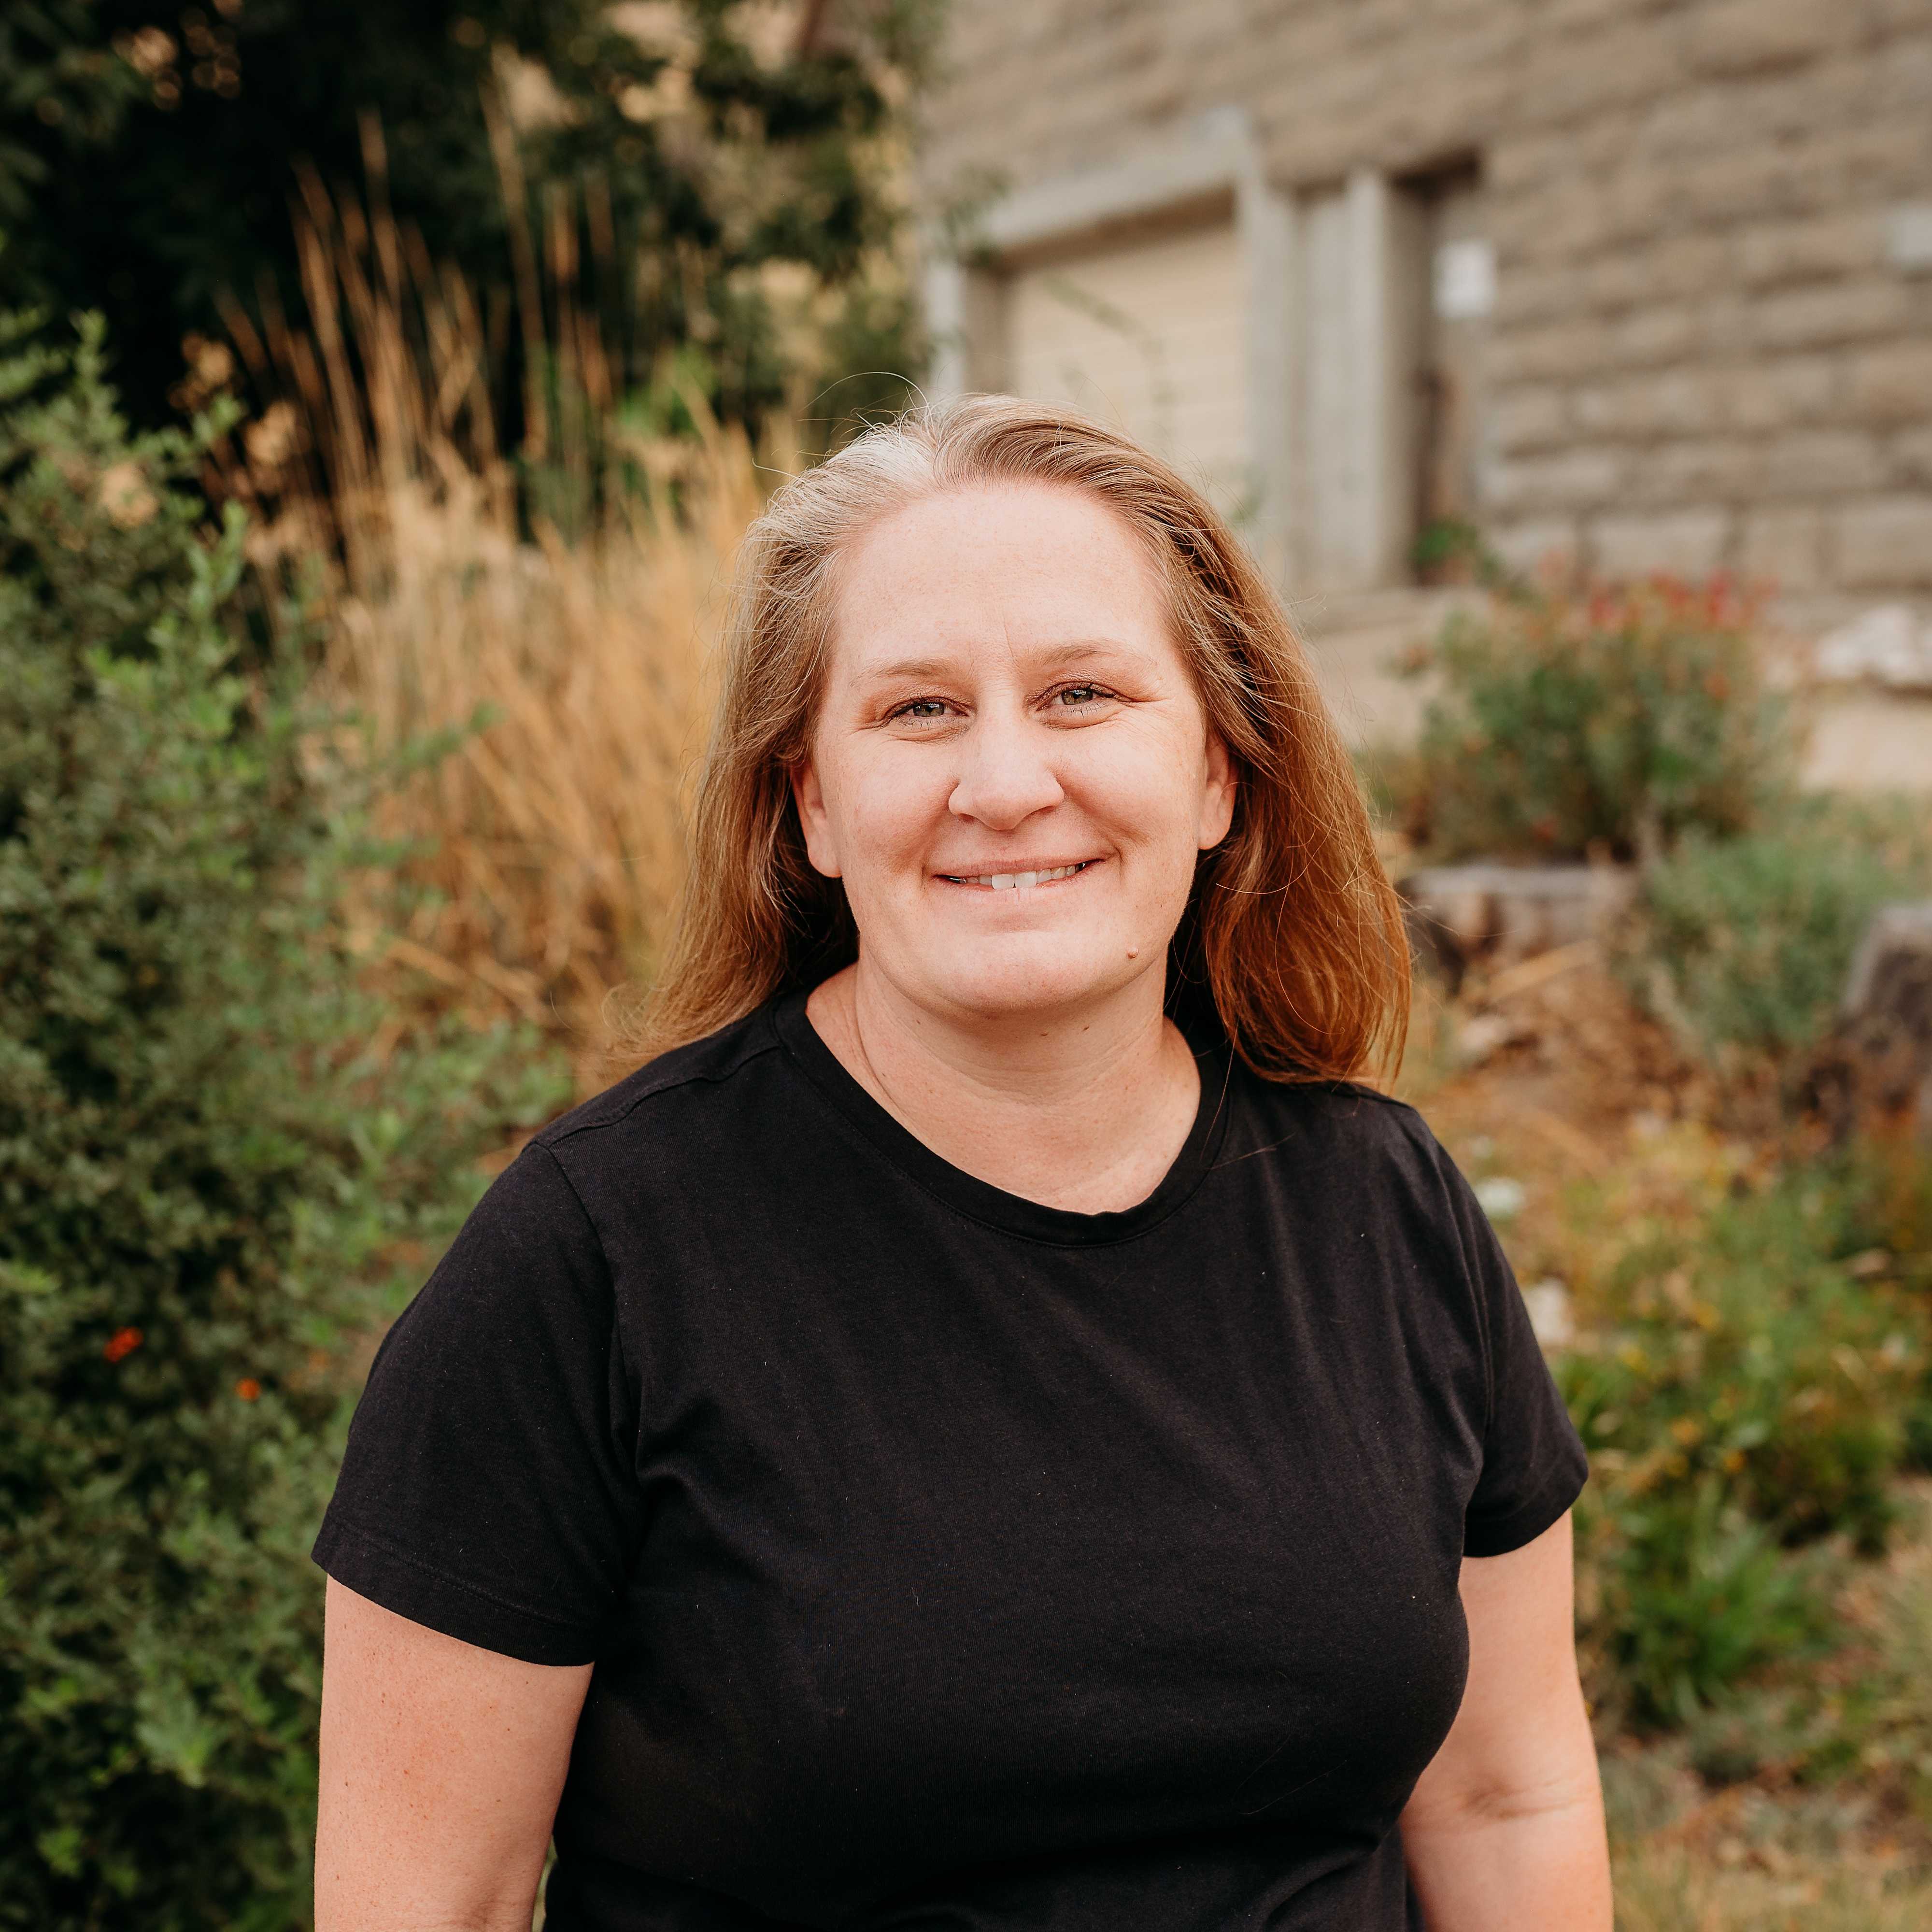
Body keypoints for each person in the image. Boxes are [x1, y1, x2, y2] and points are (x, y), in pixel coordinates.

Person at [312, 395, 1610, 1932]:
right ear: (812, 805)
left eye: (1081, 694)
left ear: (1216, 774)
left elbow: (1506, 1797)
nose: (1004, 784)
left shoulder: (1382, 1207)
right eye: (918, 710)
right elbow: (427, 1902)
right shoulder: (596, 1261)